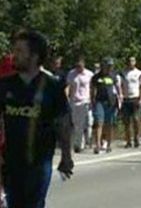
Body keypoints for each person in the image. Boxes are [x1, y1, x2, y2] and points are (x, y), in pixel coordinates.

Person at [0, 30, 73, 208]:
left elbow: (63, 123)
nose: (14, 55)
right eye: (14, 50)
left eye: (19, 51)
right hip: (11, 163)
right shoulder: (5, 85)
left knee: (33, 204)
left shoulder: (52, 87)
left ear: (34, 56)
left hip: (38, 163)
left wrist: (66, 156)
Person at [91, 57, 122, 154]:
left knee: (109, 124)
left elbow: (118, 88)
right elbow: (93, 89)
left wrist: (120, 98)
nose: (109, 68)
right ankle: (98, 145)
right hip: (99, 101)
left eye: (111, 66)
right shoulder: (96, 77)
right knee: (99, 123)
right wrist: (92, 101)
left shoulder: (113, 76)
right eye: (108, 66)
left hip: (111, 102)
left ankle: (108, 144)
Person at [66, 57, 94, 153]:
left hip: (86, 101)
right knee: (76, 124)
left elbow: (92, 88)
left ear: (84, 65)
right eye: (77, 66)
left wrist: (93, 100)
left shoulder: (89, 74)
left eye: (80, 66)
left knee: (87, 123)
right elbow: (68, 87)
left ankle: (84, 142)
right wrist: (66, 98)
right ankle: (78, 144)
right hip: (74, 102)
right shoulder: (71, 74)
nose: (79, 68)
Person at [120, 57, 141, 148]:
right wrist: (121, 96)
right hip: (126, 99)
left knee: (136, 119)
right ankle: (128, 140)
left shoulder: (139, 73)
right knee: (126, 121)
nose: (131, 62)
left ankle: (136, 138)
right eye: (129, 61)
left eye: (133, 61)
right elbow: (121, 85)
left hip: (135, 98)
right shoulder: (123, 73)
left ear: (135, 62)